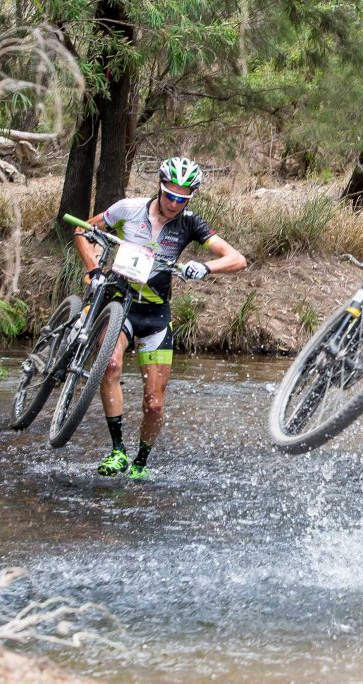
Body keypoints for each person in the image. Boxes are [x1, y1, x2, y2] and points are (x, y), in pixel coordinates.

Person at [73, 157, 246, 480]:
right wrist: (93, 269)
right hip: (119, 301)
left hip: (155, 315)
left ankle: (140, 462)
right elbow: (82, 230)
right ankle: (117, 450)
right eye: (171, 195)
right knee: (110, 365)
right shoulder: (129, 208)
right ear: (160, 187)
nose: (175, 203)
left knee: (154, 404)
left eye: (183, 198)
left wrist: (206, 268)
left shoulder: (191, 223)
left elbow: (237, 259)